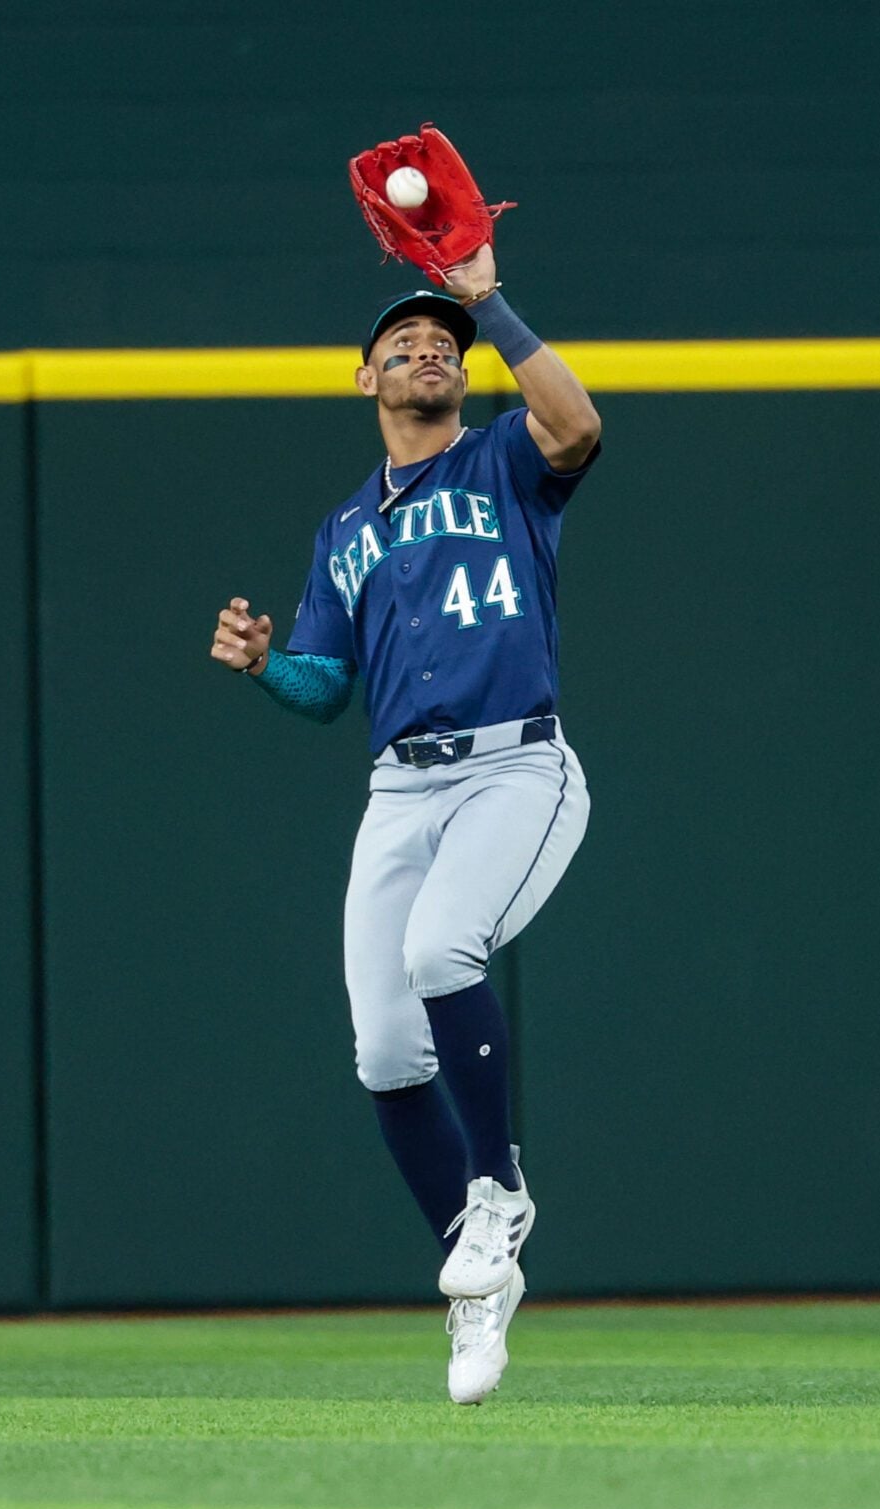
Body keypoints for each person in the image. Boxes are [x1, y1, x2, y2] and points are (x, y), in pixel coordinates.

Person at [207, 243, 601, 1404]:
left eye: (445, 344)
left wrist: (487, 299)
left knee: (440, 950)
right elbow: (327, 690)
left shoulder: (502, 464)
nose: (428, 348)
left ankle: (500, 1190)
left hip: (514, 770)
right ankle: (477, 1282)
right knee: (384, 1047)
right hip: (401, 788)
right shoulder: (343, 531)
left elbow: (575, 426)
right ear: (366, 381)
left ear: (465, 378)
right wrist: (265, 664)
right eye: (404, 344)